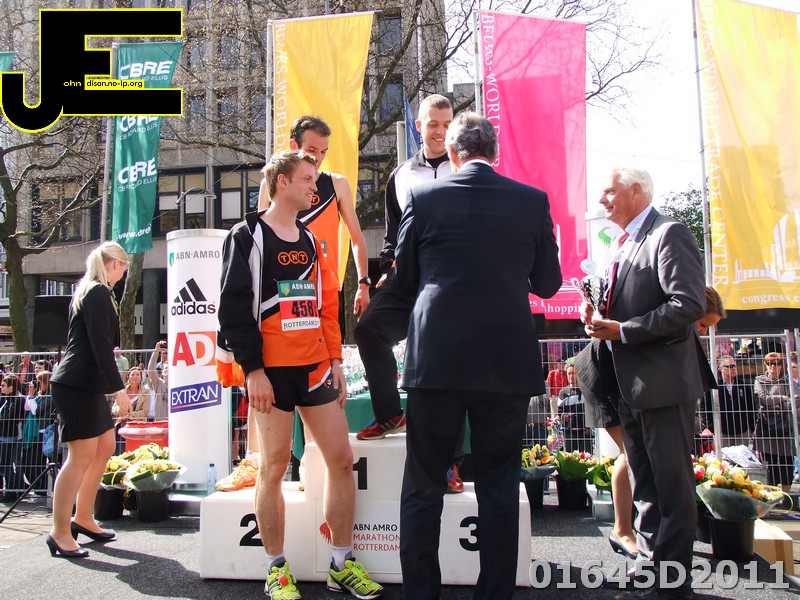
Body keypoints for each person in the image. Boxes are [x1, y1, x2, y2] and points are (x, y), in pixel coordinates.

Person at [394, 112, 562, 600]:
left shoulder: (423, 197)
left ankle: (421, 594)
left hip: (437, 357)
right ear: (496, 152)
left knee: (423, 482)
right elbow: (548, 284)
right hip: (504, 358)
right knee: (498, 484)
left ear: (452, 153)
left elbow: (404, 279)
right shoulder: (531, 201)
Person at [216, 150, 384, 600]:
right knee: (272, 468)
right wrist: (253, 370)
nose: (315, 187)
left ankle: (341, 563)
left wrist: (335, 361)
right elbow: (232, 310)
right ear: (282, 182)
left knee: (342, 462)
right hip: (269, 374)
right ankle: (276, 569)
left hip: (314, 370)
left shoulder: (310, 239)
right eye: (308, 179)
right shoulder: (246, 236)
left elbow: (326, 304)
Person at [575, 166, 714, 599]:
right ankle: (652, 566)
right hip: (629, 384)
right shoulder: (624, 242)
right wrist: (596, 315)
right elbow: (626, 304)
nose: (602, 200)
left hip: (663, 384)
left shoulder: (668, 233)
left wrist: (624, 331)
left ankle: (673, 584)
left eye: (609, 191)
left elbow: (688, 304)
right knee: (647, 485)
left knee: (671, 486)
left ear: (637, 191)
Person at [353, 94, 466, 491]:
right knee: (368, 329)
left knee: (446, 367)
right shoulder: (400, 175)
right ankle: (389, 414)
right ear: (419, 126)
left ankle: (451, 463)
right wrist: (387, 269)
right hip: (407, 278)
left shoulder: (464, 169)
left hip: (449, 281)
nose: (440, 131)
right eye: (433, 124)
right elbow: (391, 236)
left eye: (447, 124)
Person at [46, 241, 132, 558]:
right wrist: (119, 390)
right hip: (76, 384)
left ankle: (83, 517)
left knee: (105, 445)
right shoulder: (96, 292)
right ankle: (59, 531)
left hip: (86, 384)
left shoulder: (94, 291)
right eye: (123, 268)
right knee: (80, 456)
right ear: (115, 264)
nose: (123, 275)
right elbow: (100, 347)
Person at [259, 115, 371, 318]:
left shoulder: (337, 184)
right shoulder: (270, 185)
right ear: (294, 146)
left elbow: (356, 238)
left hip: (326, 287)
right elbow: (260, 239)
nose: (318, 158)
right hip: (285, 288)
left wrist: (363, 282)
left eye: (323, 151)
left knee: (330, 339)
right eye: (311, 150)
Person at [754, 352, 796, 492]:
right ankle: (772, 495)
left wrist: (773, 403)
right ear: (765, 365)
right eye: (770, 364)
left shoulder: (788, 381)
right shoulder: (760, 380)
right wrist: (783, 398)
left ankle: (786, 496)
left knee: (787, 462)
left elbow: (796, 400)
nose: (773, 367)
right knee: (769, 463)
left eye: (776, 364)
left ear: (781, 365)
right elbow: (762, 399)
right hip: (766, 427)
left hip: (786, 427)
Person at [21, 370, 54, 496]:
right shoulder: (40, 396)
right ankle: (39, 487)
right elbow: (27, 407)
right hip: (36, 432)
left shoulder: (50, 396)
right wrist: (31, 395)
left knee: (39, 462)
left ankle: (45, 488)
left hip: (44, 432)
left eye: (39, 382)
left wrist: (30, 396)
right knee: (32, 461)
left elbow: (36, 410)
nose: (36, 384)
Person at [0, 375, 26, 501]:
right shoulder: (7, 399)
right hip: (4, 435)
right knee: (4, 465)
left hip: (9, 436)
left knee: (5, 465)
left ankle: (12, 490)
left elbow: (11, 418)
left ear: (11, 387)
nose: (1, 387)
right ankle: (14, 489)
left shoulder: (17, 400)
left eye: (3, 385)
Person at [558, 364, 591, 453]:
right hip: (569, 432)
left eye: (573, 373)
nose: (571, 376)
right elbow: (559, 412)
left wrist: (589, 427)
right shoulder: (563, 392)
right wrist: (564, 417)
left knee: (586, 457)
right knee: (569, 457)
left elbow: (591, 410)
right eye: (569, 373)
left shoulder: (586, 391)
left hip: (584, 432)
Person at [145, 341, 169, 421]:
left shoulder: (178, 385)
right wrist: (156, 351)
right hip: (160, 423)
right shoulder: (159, 383)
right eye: (165, 368)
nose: (167, 369)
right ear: (162, 372)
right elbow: (151, 370)